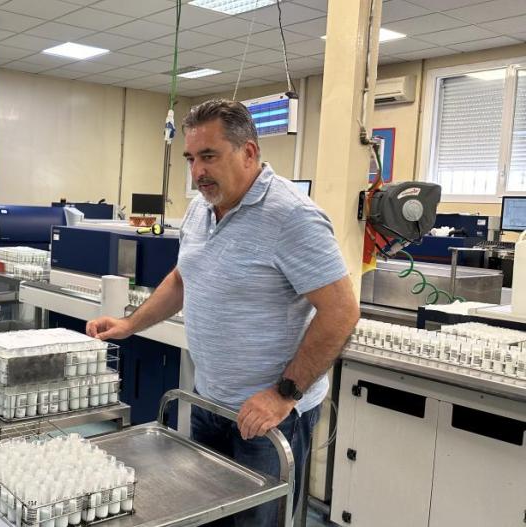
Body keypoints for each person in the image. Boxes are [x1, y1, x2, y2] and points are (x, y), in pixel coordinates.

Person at [86, 99, 359, 526]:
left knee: (258, 522)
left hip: (267, 420)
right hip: (209, 402)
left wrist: (284, 393)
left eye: (209, 156)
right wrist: (129, 324)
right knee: (207, 517)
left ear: (248, 152)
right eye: (191, 159)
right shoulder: (201, 208)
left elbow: (341, 311)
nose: (197, 173)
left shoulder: (293, 217)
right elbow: (183, 278)